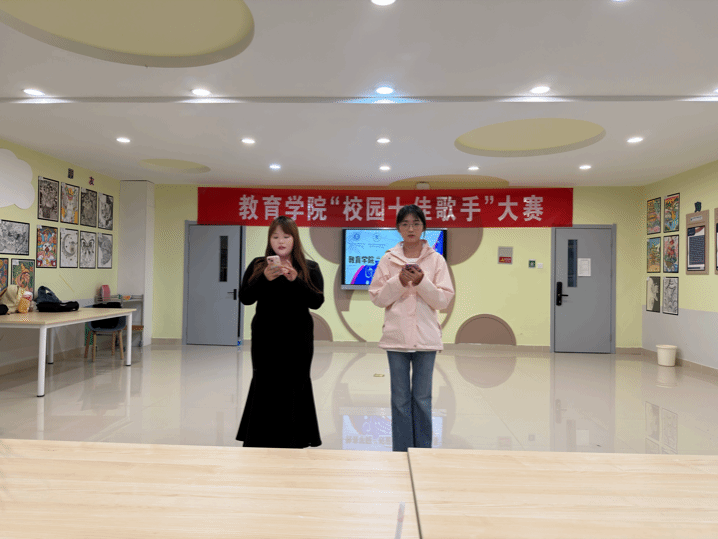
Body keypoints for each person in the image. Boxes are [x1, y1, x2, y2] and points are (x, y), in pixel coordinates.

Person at [369, 205, 455, 452]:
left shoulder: (436, 260)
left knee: (422, 398)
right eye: (405, 224)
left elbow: (443, 300)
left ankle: (422, 451)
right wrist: (399, 281)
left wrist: (421, 282)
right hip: (396, 338)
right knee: (399, 399)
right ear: (398, 228)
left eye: (416, 223)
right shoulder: (388, 259)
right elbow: (378, 298)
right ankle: (401, 450)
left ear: (423, 227)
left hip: (426, 339)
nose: (411, 228)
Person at [236, 216, 325, 448]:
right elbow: (245, 297)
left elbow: (317, 302)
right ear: (269, 240)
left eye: (286, 236)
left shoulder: (309, 267)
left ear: (295, 239)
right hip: (266, 336)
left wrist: (296, 280)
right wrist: (264, 278)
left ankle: (295, 438)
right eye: (275, 237)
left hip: (298, 337)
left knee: (296, 382)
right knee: (265, 382)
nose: (281, 241)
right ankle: (261, 438)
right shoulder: (258, 265)